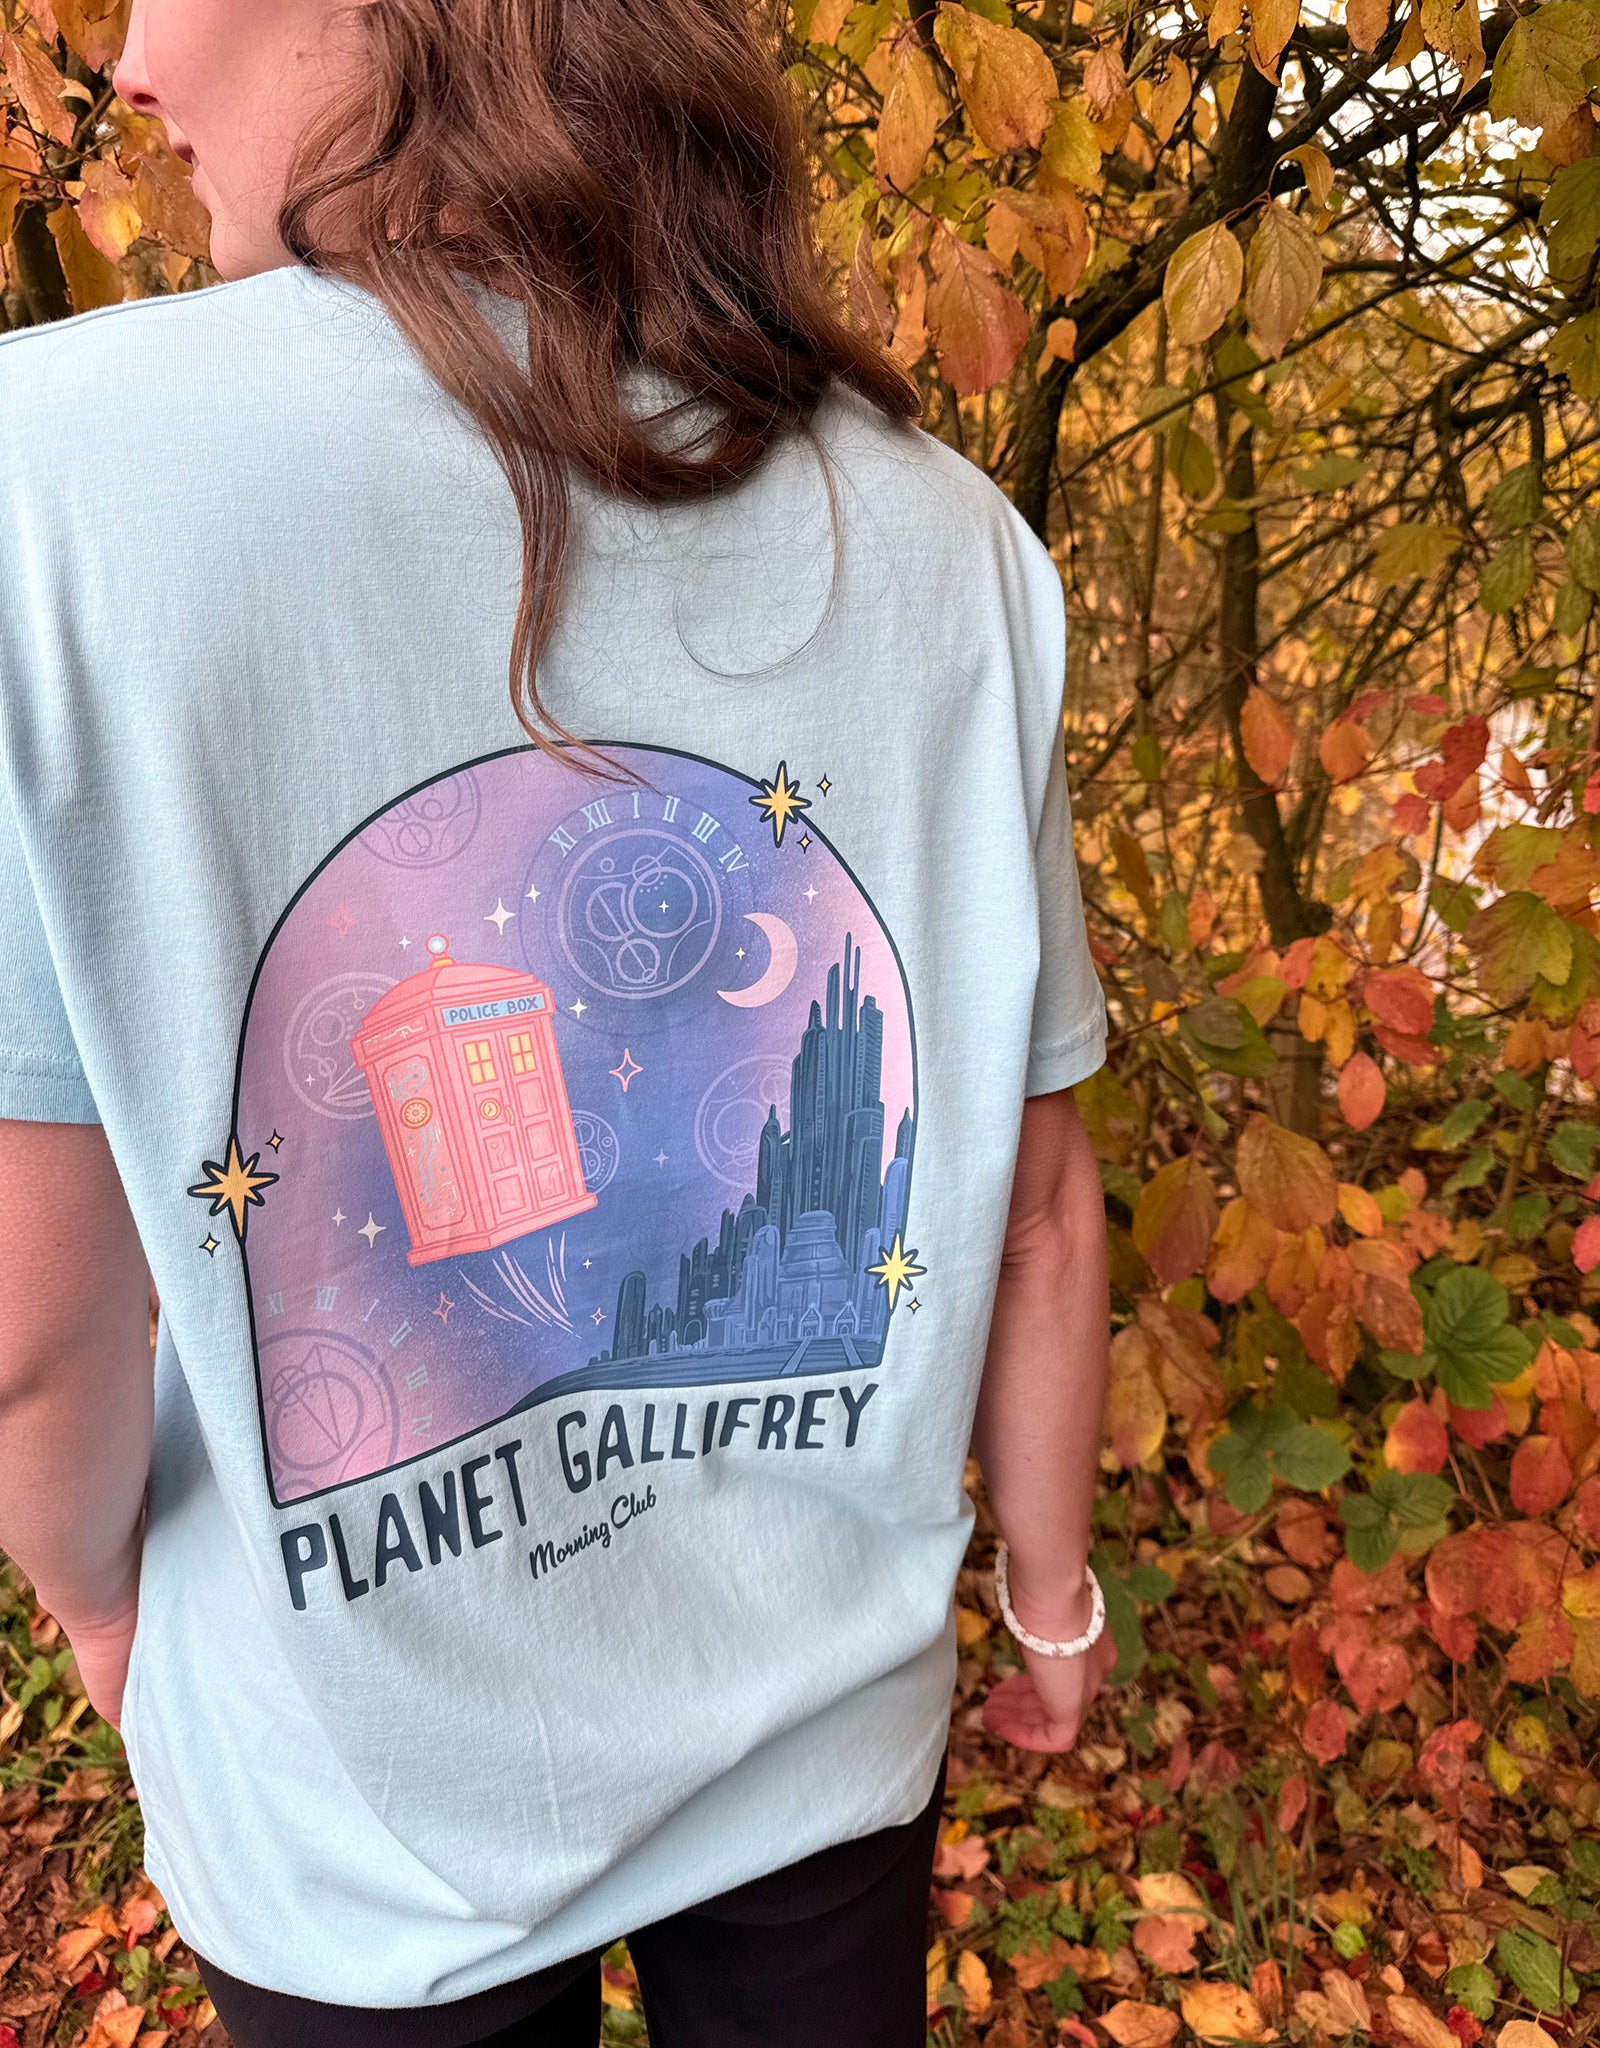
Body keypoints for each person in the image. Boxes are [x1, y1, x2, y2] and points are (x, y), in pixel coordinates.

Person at [0, 0, 1114, 2041]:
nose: (127, 67)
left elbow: (26, 1333)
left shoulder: (42, 485)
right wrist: (1052, 1593)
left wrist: (96, 1600)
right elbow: (1037, 1207)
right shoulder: (952, 542)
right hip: (821, 1735)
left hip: (355, 1817)